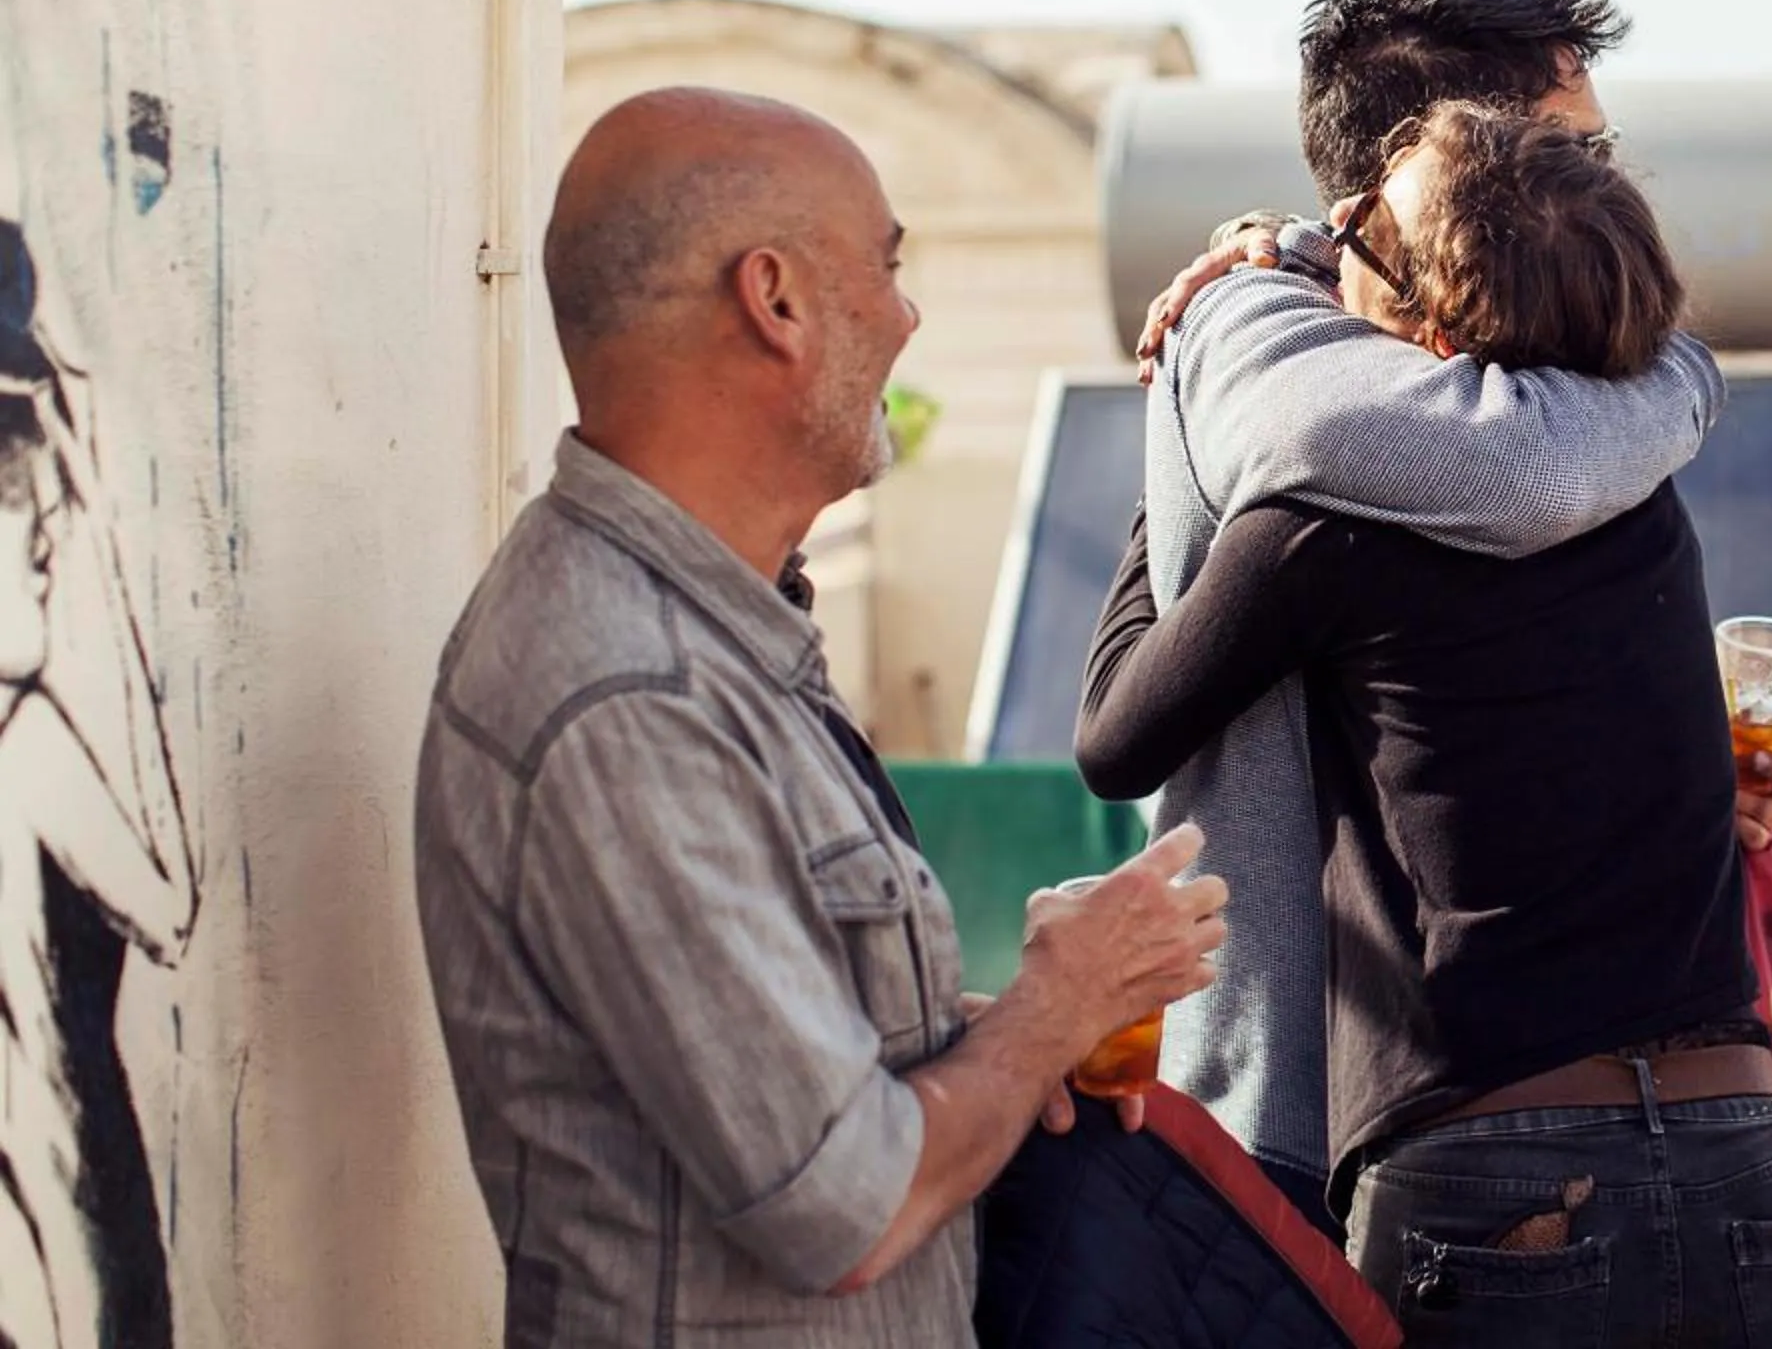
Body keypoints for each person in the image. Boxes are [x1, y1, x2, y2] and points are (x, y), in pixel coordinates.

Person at [413, 89, 1229, 1345]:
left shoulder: (705, 631)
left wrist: (1009, 1026)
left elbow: (779, 1064)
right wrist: (1049, 1014)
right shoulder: (627, 690)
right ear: (776, 299)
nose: (907, 317)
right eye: (889, 267)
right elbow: (844, 1204)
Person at [1080, 102, 1772, 1346]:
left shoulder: (1320, 527)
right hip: (1744, 1137)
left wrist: (1192, 459)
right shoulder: (1641, 489)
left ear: (1427, 331)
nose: (1334, 245)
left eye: (1361, 240)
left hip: (1497, 1165)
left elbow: (1117, 734)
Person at [0, 219, 198, 1349]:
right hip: (68, 1259)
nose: (48, 537)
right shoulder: (24, 750)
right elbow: (167, 897)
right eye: (26, 504)